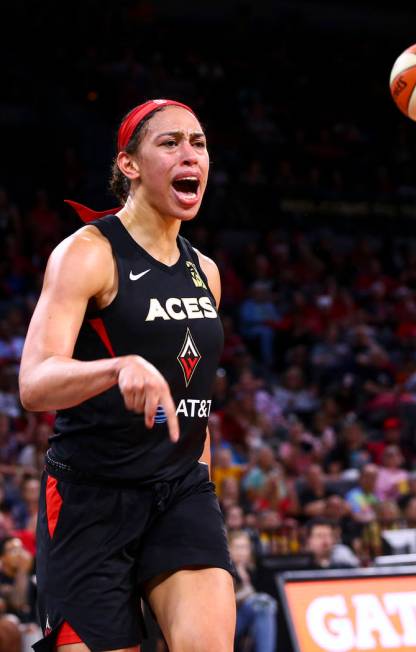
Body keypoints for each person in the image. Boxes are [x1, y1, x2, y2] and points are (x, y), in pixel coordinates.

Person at [18, 99, 235, 651]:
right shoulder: (87, 254)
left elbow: (197, 399)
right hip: (92, 497)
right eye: (171, 143)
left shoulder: (203, 271)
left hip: (179, 491)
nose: (191, 154)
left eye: (199, 143)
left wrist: (203, 491)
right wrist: (116, 368)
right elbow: (34, 382)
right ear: (130, 165)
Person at [228, 530, 277, 652]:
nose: (242, 552)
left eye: (245, 547)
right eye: (238, 547)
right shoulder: (226, 571)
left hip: (249, 620)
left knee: (265, 608)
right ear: (229, 549)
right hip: (229, 621)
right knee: (263, 603)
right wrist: (247, 595)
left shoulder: (253, 571)